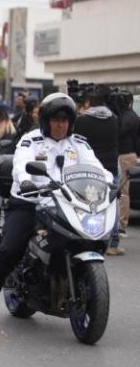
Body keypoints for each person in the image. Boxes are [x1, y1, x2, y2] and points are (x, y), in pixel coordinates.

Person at [0, 93, 112, 323]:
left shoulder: (79, 144)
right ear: (47, 121)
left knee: (91, 236)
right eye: (56, 120)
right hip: (30, 201)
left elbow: (96, 167)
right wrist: (26, 180)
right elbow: (21, 164)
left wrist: (109, 181)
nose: (60, 125)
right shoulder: (31, 140)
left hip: (67, 203)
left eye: (65, 121)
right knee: (10, 249)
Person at [74, 85, 121, 255]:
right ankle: (114, 241)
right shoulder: (114, 119)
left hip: (90, 168)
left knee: (87, 203)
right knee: (111, 204)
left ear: (88, 103)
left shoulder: (81, 120)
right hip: (111, 167)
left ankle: (87, 235)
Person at [117, 92, 139, 235]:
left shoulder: (130, 117)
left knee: (123, 191)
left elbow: (119, 131)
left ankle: (121, 224)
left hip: (125, 155)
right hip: (125, 154)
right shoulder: (128, 115)